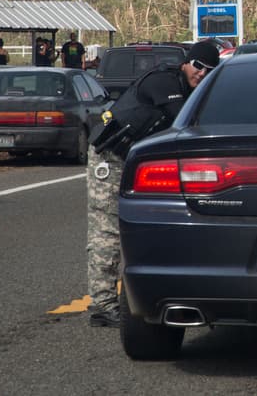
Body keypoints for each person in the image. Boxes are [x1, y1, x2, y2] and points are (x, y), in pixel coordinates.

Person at [85, 40, 221, 328]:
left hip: (137, 163)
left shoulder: (191, 91)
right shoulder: (163, 81)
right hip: (111, 158)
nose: (202, 73)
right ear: (186, 63)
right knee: (108, 231)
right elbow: (182, 122)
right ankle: (102, 306)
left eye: (210, 71)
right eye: (198, 66)